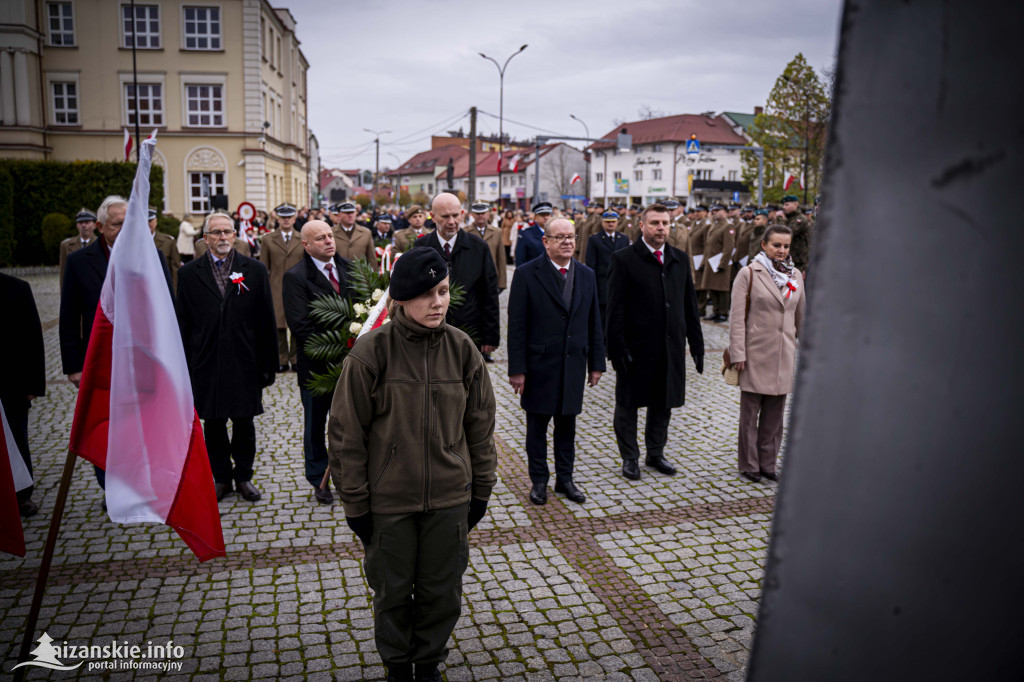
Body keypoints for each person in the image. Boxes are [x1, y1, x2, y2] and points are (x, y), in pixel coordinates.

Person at [328, 247, 497, 682]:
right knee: (392, 593)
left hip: (448, 499)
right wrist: (357, 504)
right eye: (426, 294)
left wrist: (481, 489)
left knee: (443, 593)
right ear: (401, 299)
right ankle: (398, 667)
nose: (438, 302)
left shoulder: (462, 350)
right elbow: (347, 435)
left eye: (442, 291)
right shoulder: (371, 353)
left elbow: (480, 427)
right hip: (390, 503)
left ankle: (428, 665)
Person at [60, 195, 172, 490]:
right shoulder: (78, 262)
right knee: (107, 425)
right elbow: (69, 317)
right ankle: (111, 485)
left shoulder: (152, 255)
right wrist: (73, 366)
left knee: (145, 423)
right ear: (99, 226)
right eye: (117, 224)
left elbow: (167, 310)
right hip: (100, 360)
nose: (125, 229)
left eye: (129, 223)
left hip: (145, 359)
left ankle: (145, 481)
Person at [176, 211, 279, 503]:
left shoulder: (255, 270)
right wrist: (183, 366)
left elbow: (266, 320)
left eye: (228, 232)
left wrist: (268, 363)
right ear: (205, 238)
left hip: (245, 360)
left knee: (244, 422)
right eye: (217, 232)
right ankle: (221, 478)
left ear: (235, 236)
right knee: (214, 423)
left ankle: (244, 476)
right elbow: (182, 322)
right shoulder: (189, 273)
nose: (223, 237)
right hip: (205, 361)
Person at [507, 218, 604, 506]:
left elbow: (594, 321)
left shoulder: (586, 275)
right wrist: (517, 370)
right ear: (545, 241)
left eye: (571, 237)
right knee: (536, 428)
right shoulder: (527, 274)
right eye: (559, 237)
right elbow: (517, 326)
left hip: (573, 365)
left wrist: (596, 363)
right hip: (539, 367)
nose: (567, 242)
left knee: (567, 427)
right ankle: (539, 480)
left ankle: (566, 479)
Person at [606, 203, 704, 480]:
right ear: (642, 226)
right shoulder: (624, 259)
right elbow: (614, 310)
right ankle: (630, 457)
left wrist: (696, 346)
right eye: (655, 223)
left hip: (669, 348)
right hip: (635, 349)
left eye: (665, 223)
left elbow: (690, 306)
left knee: (663, 402)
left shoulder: (679, 259)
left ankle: (655, 452)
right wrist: (616, 349)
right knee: (628, 405)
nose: (661, 228)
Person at [727, 225, 805, 483]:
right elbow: (737, 318)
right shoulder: (748, 273)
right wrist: (738, 352)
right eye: (776, 245)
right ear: (764, 245)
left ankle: (768, 464)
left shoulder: (795, 275)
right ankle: (749, 464)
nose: (781, 251)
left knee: (775, 416)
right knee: (750, 415)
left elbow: (801, 317)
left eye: (785, 246)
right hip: (754, 354)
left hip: (783, 355)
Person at [283, 220, 353, 505]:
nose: (328, 241)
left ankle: (350, 476)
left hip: (352, 366)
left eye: (330, 235)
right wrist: (342, 344)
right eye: (321, 238)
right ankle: (318, 478)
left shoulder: (350, 268)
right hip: (317, 368)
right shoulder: (296, 277)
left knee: (351, 424)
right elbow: (301, 327)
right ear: (306, 245)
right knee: (315, 426)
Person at [415, 193, 500, 361]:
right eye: (445, 216)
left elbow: (489, 293)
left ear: (462, 214)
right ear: (432, 217)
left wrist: (490, 335)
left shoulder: (479, 247)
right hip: (430, 332)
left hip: (470, 332)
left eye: (455, 215)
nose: (452, 222)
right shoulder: (421, 247)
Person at [0, 273, 45, 517]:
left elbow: (32, 338)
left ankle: (22, 494)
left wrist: (33, 385)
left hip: (11, 383)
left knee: (17, 437)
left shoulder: (17, 288)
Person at [260, 202, 305, 372]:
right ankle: (281, 359)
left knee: (296, 324)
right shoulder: (268, 240)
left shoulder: (302, 238)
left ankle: (295, 358)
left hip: (297, 287)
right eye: (283, 217)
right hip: (276, 285)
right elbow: (264, 267)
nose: (286, 220)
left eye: (289, 217)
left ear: (294, 219)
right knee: (278, 325)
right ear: (277, 218)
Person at [585, 210, 630, 335]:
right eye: (608, 222)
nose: (610, 224)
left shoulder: (623, 239)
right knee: (603, 315)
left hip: (620, 282)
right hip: (603, 282)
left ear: (617, 223)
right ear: (603, 223)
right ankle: (603, 343)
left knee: (619, 314)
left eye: (613, 222)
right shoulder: (595, 239)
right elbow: (591, 264)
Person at [699, 204, 736, 323]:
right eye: (712, 210)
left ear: (724, 212)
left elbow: (728, 247)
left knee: (722, 289)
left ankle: (723, 313)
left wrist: (722, 264)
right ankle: (715, 311)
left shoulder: (728, 226)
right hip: (711, 262)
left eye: (716, 210)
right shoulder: (713, 225)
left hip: (720, 263)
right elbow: (708, 246)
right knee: (712, 287)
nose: (713, 212)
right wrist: (704, 262)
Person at [464, 201, 507, 291]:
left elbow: (501, 258)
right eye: (477, 213)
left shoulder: (497, 232)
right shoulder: (465, 232)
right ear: (472, 214)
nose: (480, 216)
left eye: (483, 213)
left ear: (488, 214)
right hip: (470, 279)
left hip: (491, 278)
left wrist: (502, 283)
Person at [331, 201, 378, 267]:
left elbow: (371, 258)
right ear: (339, 215)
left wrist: (373, 276)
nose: (350, 215)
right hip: (339, 274)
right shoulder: (331, 233)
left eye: (352, 213)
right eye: (347, 213)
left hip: (360, 275)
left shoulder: (366, 233)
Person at [59, 209, 97, 288]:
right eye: (80, 223)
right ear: (77, 225)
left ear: (95, 225)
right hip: (75, 290)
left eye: (87, 222)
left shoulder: (101, 243)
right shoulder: (66, 245)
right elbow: (63, 274)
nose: (83, 225)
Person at [149, 207, 182, 289]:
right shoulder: (133, 243)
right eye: (144, 221)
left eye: (150, 221)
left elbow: (175, 270)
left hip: (163, 289)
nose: (147, 224)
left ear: (155, 221)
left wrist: (174, 293)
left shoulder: (168, 242)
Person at [781, 194, 814, 274]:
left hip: (799, 262)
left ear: (795, 205)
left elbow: (787, 233)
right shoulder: (790, 219)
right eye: (784, 205)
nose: (784, 207)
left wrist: (780, 219)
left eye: (787, 205)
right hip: (789, 260)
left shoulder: (800, 219)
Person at [515, 202, 549, 266]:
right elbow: (520, 259)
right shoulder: (526, 234)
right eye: (542, 215)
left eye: (548, 215)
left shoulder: (557, 234)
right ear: (535, 218)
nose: (546, 217)